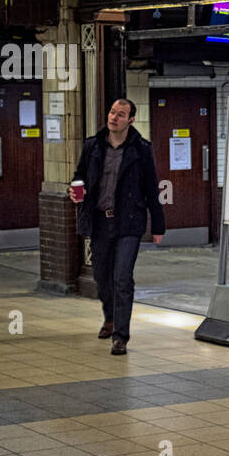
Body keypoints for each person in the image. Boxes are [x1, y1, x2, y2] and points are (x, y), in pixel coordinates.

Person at [70, 98, 165, 356]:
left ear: (130, 120)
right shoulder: (92, 145)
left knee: (122, 277)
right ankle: (110, 317)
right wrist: (75, 189)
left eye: (121, 115)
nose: (114, 117)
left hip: (129, 223)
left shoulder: (141, 150)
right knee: (102, 276)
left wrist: (158, 225)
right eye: (112, 112)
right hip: (101, 221)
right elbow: (79, 175)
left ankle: (121, 336)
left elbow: (151, 187)